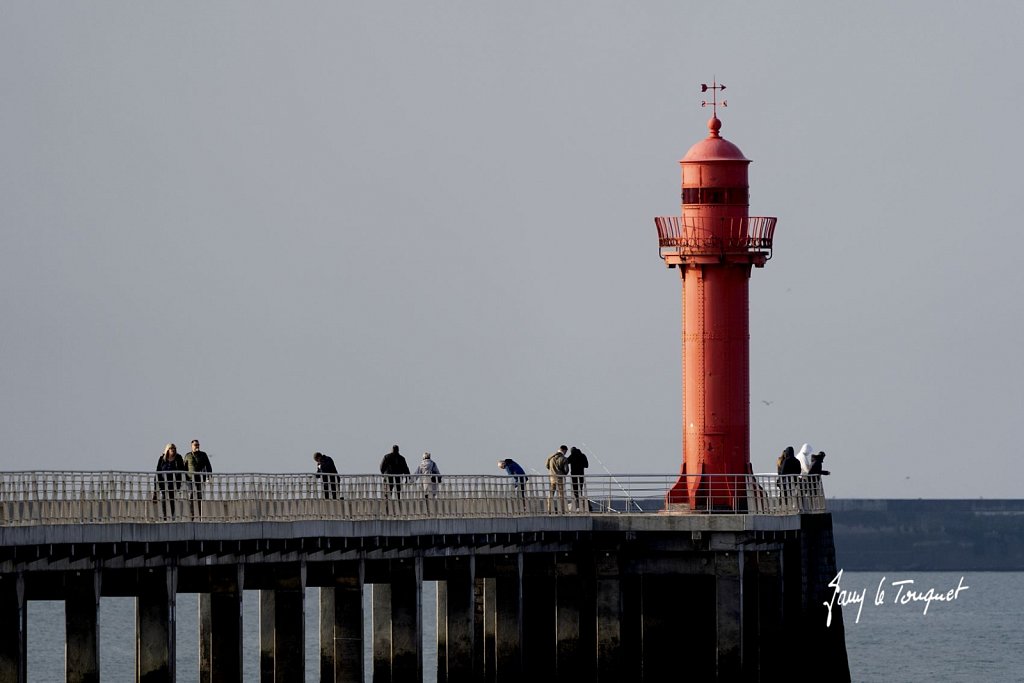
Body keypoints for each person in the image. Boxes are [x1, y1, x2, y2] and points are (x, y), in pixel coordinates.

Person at [155, 443, 186, 519]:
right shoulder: (162, 459)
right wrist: (156, 487)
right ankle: (165, 516)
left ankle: (171, 516)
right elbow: (157, 472)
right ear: (167, 449)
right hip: (164, 483)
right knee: (164, 499)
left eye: (174, 448)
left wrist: (179, 483)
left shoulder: (178, 458)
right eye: (171, 448)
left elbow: (182, 470)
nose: (173, 450)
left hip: (174, 483)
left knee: (172, 500)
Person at [183, 439, 213, 518]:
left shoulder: (203, 455)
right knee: (191, 496)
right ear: (191, 446)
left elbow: (208, 466)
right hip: (190, 479)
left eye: (198, 445)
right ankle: (192, 514)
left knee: (199, 497)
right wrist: (183, 478)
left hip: (200, 479)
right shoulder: (188, 455)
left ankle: (199, 515)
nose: (197, 446)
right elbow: (184, 467)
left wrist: (209, 477)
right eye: (195, 445)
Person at [544, 445, 569, 513]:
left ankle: (549, 509)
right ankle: (562, 510)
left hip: (552, 478)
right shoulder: (563, 459)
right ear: (564, 450)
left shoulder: (551, 457)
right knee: (561, 494)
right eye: (566, 451)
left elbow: (547, 466)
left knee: (551, 494)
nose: (566, 453)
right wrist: (562, 472)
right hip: (560, 478)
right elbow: (566, 470)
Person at [567, 446, 590, 512]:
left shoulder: (572, 456)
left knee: (575, 490)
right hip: (581, 475)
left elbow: (566, 462)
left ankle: (578, 503)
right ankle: (580, 504)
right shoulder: (583, 455)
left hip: (574, 475)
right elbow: (586, 465)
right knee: (580, 489)